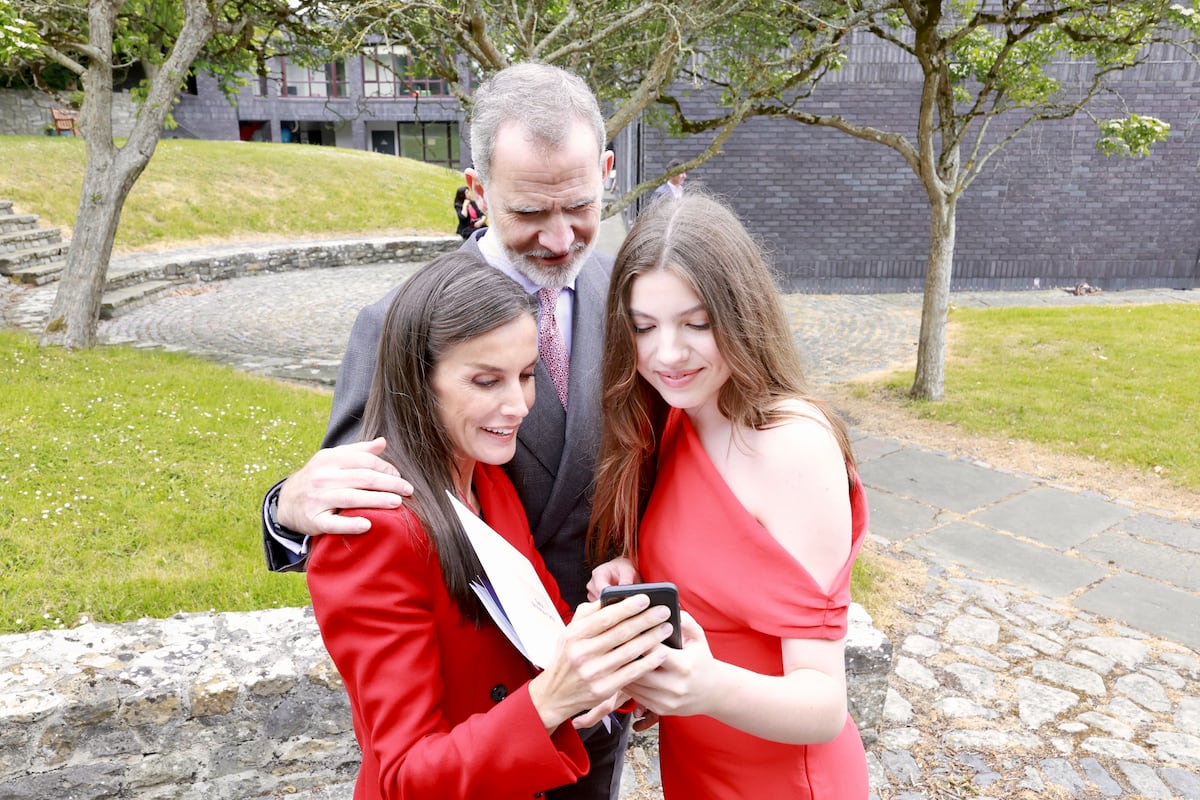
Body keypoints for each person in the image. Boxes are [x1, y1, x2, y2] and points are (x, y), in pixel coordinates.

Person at [260, 62, 630, 800]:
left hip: (592, 708)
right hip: (474, 722)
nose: (560, 240)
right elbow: (366, 507)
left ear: (609, 172)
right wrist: (285, 512)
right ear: (478, 191)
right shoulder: (399, 322)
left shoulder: (631, 295)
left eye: (581, 206)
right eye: (528, 213)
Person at [306, 252, 673, 800]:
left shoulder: (489, 480)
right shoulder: (369, 534)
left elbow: (544, 634)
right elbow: (404, 776)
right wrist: (551, 698)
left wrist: (612, 666)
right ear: (418, 379)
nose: (519, 405)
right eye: (485, 381)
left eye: (526, 376)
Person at [587, 194, 871, 798]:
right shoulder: (673, 416)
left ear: (741, 314)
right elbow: (721, 566)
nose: (667, 353)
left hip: (784, 781)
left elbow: (823, 705)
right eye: (644, 327)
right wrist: (633, 573)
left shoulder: (793, 446)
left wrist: (706, 687)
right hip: (694, 769)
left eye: (696, 324)